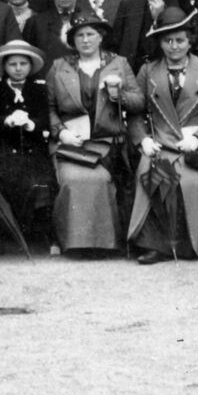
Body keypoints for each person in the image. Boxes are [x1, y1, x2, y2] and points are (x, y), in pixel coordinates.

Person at [127, 6, 198, 264]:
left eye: (180, 40)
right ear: (160, 43)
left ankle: (189, 244)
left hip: (193, 147)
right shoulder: (148, 71)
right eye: (167, 41)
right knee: (153, 177)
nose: (174, 46)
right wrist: (143, 139)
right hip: (159, 143)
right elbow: (136, 111)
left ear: (190, 41)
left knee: (191, 183)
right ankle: (156, 246)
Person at [46, 15, 142, 256]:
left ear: (101, 37)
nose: (85, 40)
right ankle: (74, 242)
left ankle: (102, 243)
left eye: (91, 34)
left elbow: (139, 102)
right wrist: (61, 132)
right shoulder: (59, 66)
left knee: (99, 179)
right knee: (73, 179)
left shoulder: (118, 63)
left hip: (107, 143)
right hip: (71, 145)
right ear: (72, 41)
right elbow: (49, 107)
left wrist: (118, 95)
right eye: (79, 35)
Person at [0, 39, 56, 252]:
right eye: (12, 64)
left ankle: (38, 233)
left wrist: (31, 123)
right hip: (3, 148)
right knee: (2, 176)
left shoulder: (39, 89)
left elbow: (46, 117)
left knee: (40, 181)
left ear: (30, 66)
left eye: (23, 64)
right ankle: (5, 234)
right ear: (4, 66)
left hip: (33, 147)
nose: (18, 68)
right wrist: (6, 120)